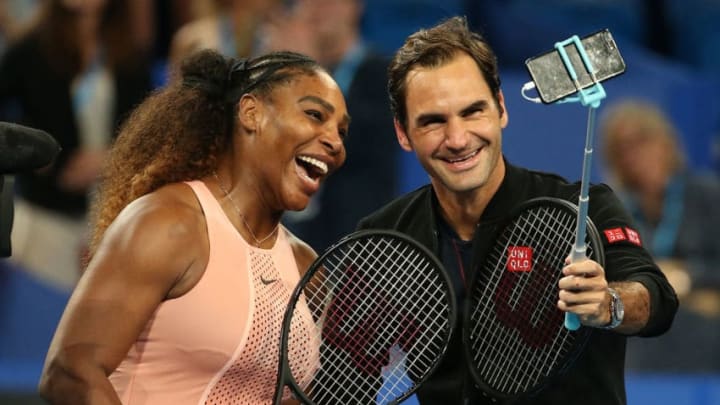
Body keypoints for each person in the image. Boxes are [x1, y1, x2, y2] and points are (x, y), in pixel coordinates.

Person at [356, 16, 678, 404]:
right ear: (403, 133)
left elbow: (656, 300)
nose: (457, 139)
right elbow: (344, 378)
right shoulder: (383, 241)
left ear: (501, 109)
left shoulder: (584, 210)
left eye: (472, 111)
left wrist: (609, 303)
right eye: (433, 122)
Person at [38, 48, 349, 404]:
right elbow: (71, 371)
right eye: (314, 115)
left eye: (342, 130)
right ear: (252, 112)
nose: (336, 142)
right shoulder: (169, 222)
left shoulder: (304, 265)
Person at [0, 0, 153, 289]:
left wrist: (109, 159)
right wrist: (37, 156)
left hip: (111, 221)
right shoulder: (29, 49)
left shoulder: (129, 52)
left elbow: (150, 132)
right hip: (46, 219)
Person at [262, 0, 398, 252]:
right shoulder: (281, 82)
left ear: (355, 7)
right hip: (281, 240)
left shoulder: (383, 75)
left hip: (355, 252)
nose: (317, 7)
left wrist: (305, 72)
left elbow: (342, 145)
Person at [600, 99, 720, 371]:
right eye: (622, 149)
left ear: (666, 143)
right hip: (642, 341)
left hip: (706, 338)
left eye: (642, 142)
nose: (634, 156)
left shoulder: (709, 197)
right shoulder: (613, 211)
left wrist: (689, 278)